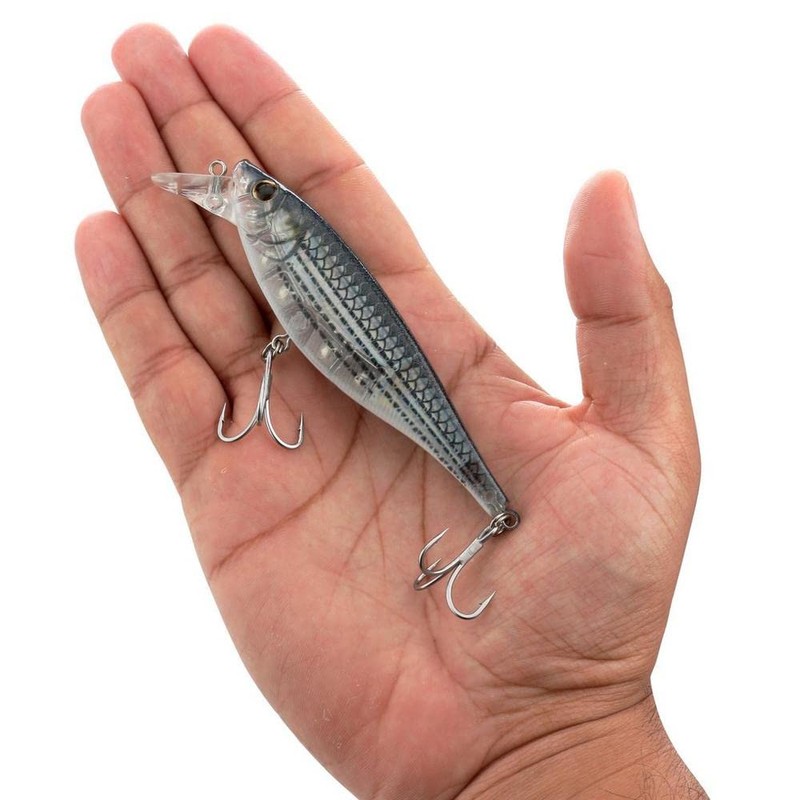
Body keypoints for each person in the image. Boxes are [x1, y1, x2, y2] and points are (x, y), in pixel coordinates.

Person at [76, 23, 707, 800]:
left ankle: (489, 505)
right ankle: (489, 509)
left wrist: (562, 732)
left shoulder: (282, 232)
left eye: (261, 195)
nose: (247, 195)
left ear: (277, 216)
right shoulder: (268, 238)